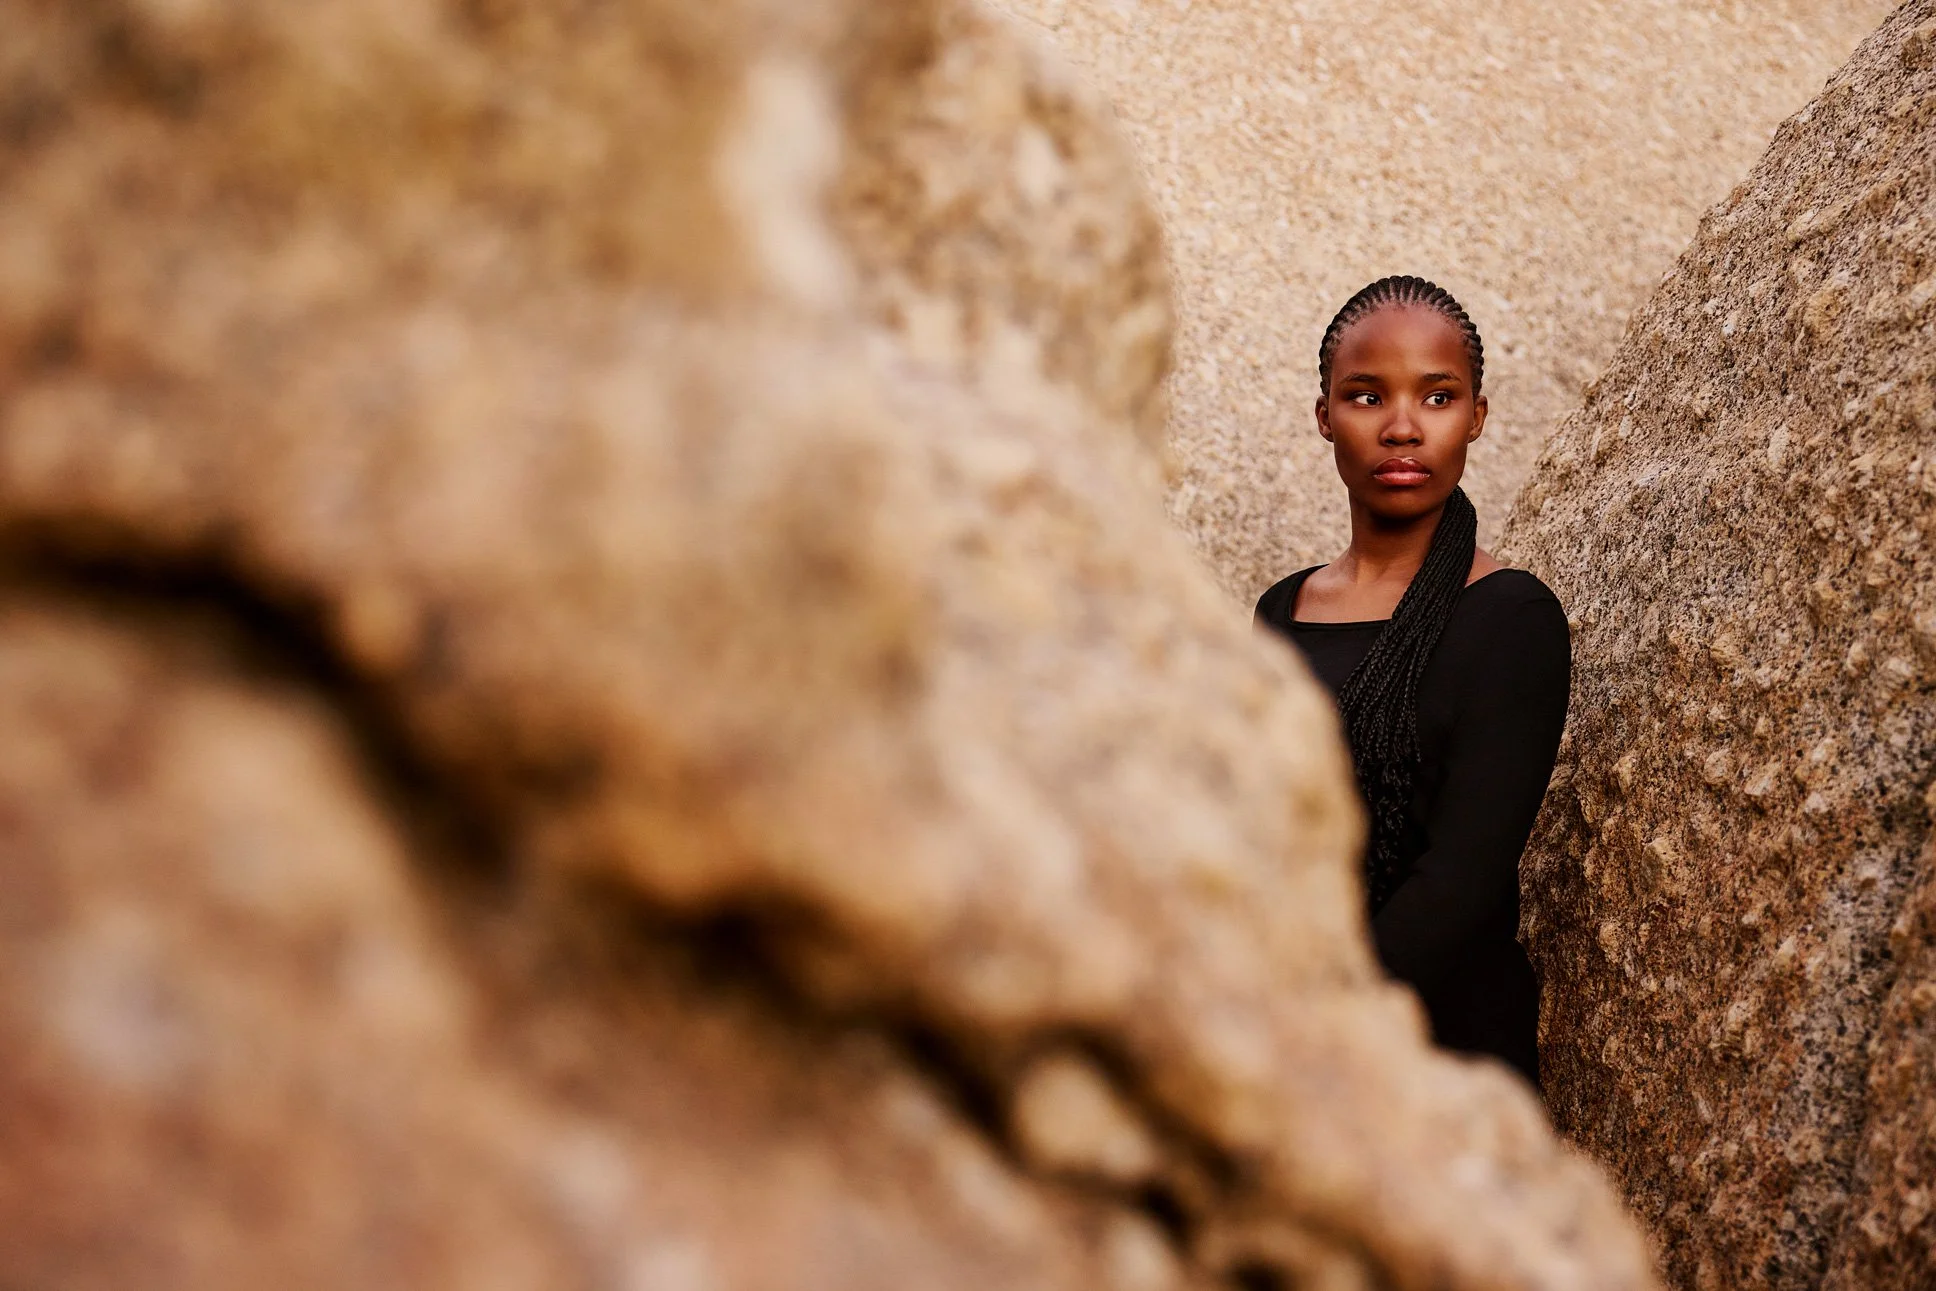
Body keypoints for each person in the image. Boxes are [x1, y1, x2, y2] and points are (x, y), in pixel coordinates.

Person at [1253, 276, 1570, 1086]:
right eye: (1366, 396)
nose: (1401, 427)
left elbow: (1461, 881)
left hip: (1439, 1062)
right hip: (1284, 1027)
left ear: (1477, 415)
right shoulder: (1281, 612)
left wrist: (1311, 1022)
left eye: (1437, 397)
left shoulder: (1511, 616)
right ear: (1324, 416)